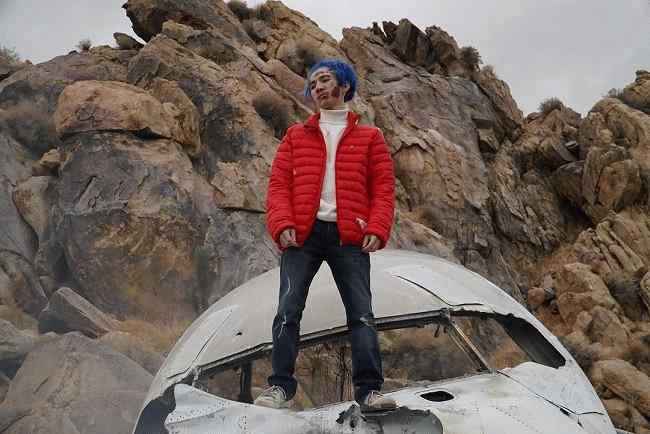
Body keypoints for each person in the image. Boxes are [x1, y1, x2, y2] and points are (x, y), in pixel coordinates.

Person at [255, 59, 396, 412]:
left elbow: (383, 189)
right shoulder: (295, 135)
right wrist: (281, 223)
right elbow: (278, 185)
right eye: (313, 83)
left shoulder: (371, 137)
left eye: (325, 79)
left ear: (345, 85)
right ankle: (280, 388)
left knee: (361, 314)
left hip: (350, 236)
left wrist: (377, 227)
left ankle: (369, 392)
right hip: (303, 235)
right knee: (287, 310)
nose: (317, 87)